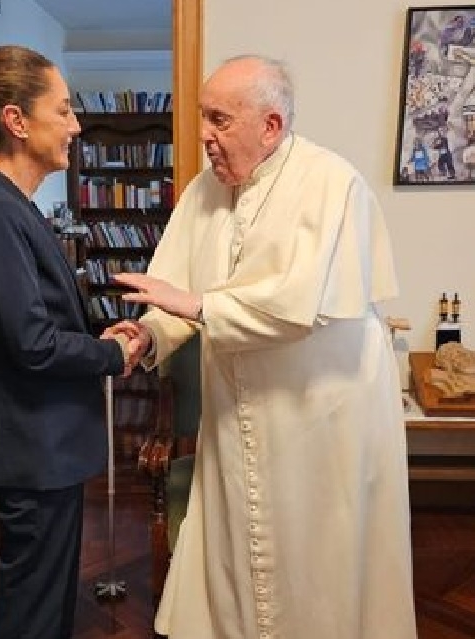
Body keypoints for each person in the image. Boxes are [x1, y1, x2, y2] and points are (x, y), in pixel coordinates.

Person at [109, 55, 417, 639]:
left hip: (321, 410)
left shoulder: (331, 184)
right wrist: (149, 330)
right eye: (203, 118)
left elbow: (294, 306)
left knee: (317, 554)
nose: (203, 135)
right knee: (237, 545)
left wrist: (195, 307)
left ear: (270, 125)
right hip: (239, 407)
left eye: (219, 120)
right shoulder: (206, 189)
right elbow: (175, 282)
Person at [0, 45, 137, 639]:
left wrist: (102, 334)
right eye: (66, 110)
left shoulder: (10, 206)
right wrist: (113, 354)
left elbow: (38, 322)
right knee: (30, 617)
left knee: (46, 609)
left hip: (45, 450)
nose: (76, 125)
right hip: (32, 453)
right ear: (16, 122)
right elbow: (33, 344)